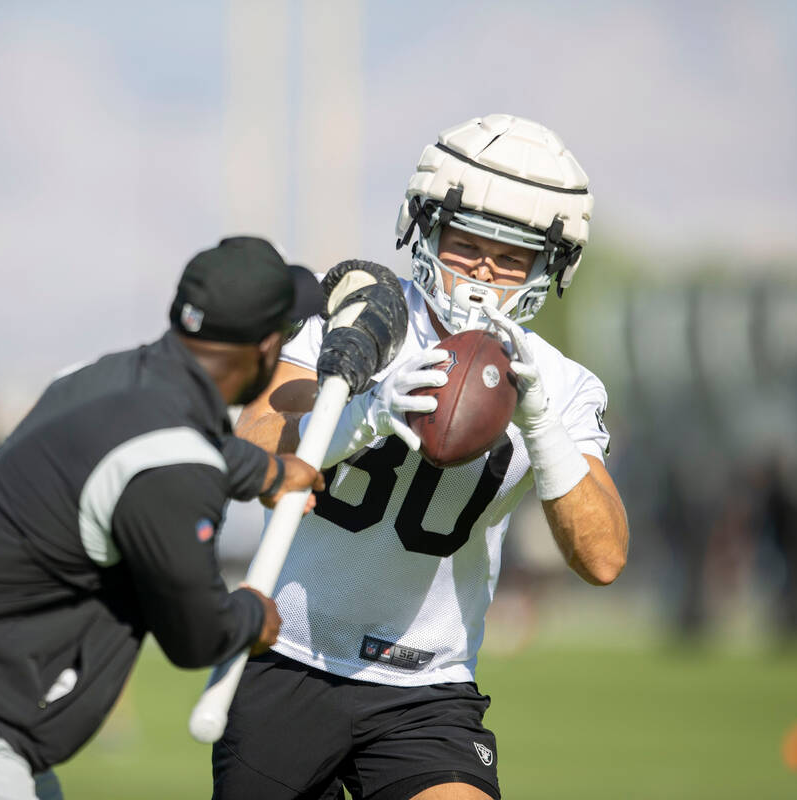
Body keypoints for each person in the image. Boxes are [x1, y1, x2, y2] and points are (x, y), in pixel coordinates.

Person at [214, 115, 629, 800]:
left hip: (425, 686)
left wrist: (541, 426)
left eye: (511, 256)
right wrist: (361, 416)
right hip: (286, 658)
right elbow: (253, 451)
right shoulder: (356, 315)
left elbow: (605, 558)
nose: (483, 273)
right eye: (466, 245)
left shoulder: (556, 384)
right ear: (424, 229)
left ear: (547, 268)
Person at [0, 236, 326, 800]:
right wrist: (252, 616)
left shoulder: (104, 377)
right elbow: (196, 634)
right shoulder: (173, 465)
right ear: (264, 348)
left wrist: (265, 470)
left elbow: (157, 443)